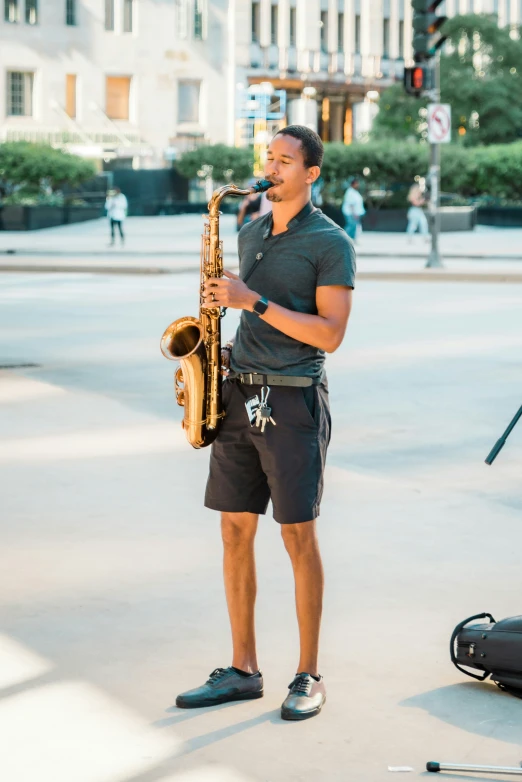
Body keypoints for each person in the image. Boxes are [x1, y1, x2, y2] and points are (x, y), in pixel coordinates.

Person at [175, 125, 356, 721]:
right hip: (237, 394)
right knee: (233, 532)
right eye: (269, 158)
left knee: (297, 536)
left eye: (285, 161)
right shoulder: (248, 229)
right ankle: (244, 669)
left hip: (294, 399)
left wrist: (249, 300)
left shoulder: (331, 243)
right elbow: (240, 311)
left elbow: (329, 333)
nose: (272, 169)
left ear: (312, 174)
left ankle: (309, 673)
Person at [341, 178, 365, 243]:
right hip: (350, 212)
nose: (358, 185)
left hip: (355, 212)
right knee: (351, 225)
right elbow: (351, 204)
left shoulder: (354, 191)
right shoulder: (350, 192)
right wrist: (354, 213)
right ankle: (344, 238)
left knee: (354, 226)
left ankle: (352, 239)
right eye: (356, 184)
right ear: (353, 184)